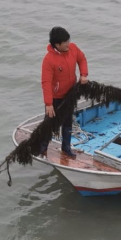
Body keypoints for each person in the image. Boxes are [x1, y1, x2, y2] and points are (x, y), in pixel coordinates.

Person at [41, 26, 89, 157]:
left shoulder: (73, 48)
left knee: (67, 123)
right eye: (65, 42)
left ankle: (66, 148)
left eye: (69, 40)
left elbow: (82, 59)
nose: (68, 44)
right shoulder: (48, 60)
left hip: (70, 95)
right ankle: (42, 147)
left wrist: (83, 74)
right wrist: (49, 104)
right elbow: (46, 83)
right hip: (55, 98)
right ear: (57, 44)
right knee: (49, 123)